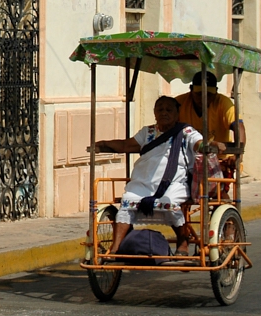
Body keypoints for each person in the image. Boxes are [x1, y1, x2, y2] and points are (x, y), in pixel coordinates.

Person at [96, 96, 223, 257]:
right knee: (127, 202)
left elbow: (199, 144)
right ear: (154, 113)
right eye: (160, 109)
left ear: (177, 114)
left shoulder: (186, 132)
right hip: (142, 183)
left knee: (168, 203)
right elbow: (126, 145)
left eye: (169, 110)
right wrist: (102, 144)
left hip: (174, 184)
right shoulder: (147, 132)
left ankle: (182, 242)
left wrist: (212, 145)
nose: (164, 113)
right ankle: (115, 248)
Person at [175, 71, 246, 148]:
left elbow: (238, 126)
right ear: (191, 89)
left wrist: (238, 153)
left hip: (220, 157)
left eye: (209, 94)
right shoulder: (179, 103)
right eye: (199, 94)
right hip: (189, 157)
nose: (204, 98)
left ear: (216, 91)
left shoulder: (223, 103)